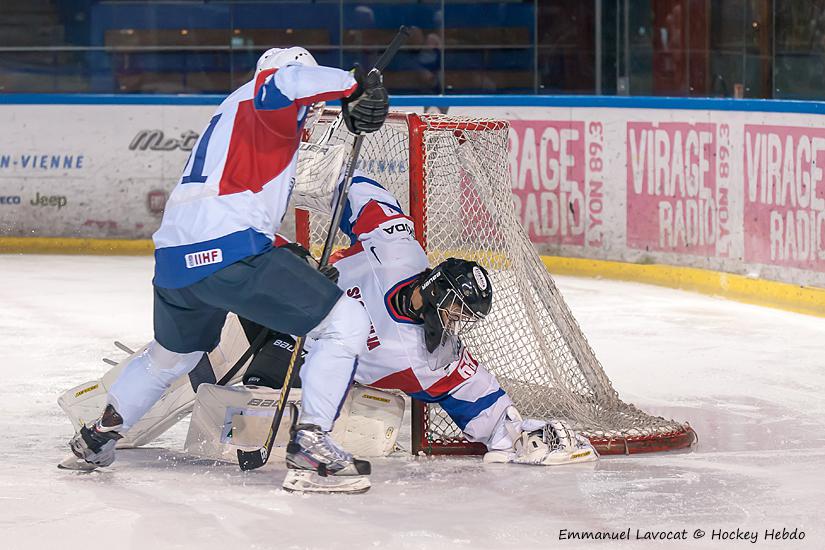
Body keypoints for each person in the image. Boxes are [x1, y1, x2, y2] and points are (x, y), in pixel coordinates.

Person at [65, 47, 389, 493]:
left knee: (171, 356)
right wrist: (353, 83)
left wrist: (283, 252)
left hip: (176, 261)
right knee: (344, 322)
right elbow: (286, 81)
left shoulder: (232, 115)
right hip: (228, 253)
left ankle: (97, 437)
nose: (313, 111)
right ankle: (311, 447)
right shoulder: (268, 100)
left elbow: (224, 202)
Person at [241, 172, 599, 467]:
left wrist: (518, 435)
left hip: (306, 351)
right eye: (456, 309)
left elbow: (479, 398)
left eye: (463, 316)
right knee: (243, 246)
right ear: (436, 291)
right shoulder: (396, 250)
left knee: (263, 383)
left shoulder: (429, 359)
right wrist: (298, 174)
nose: (455, 321)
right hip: (288, 293)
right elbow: (360, 189)